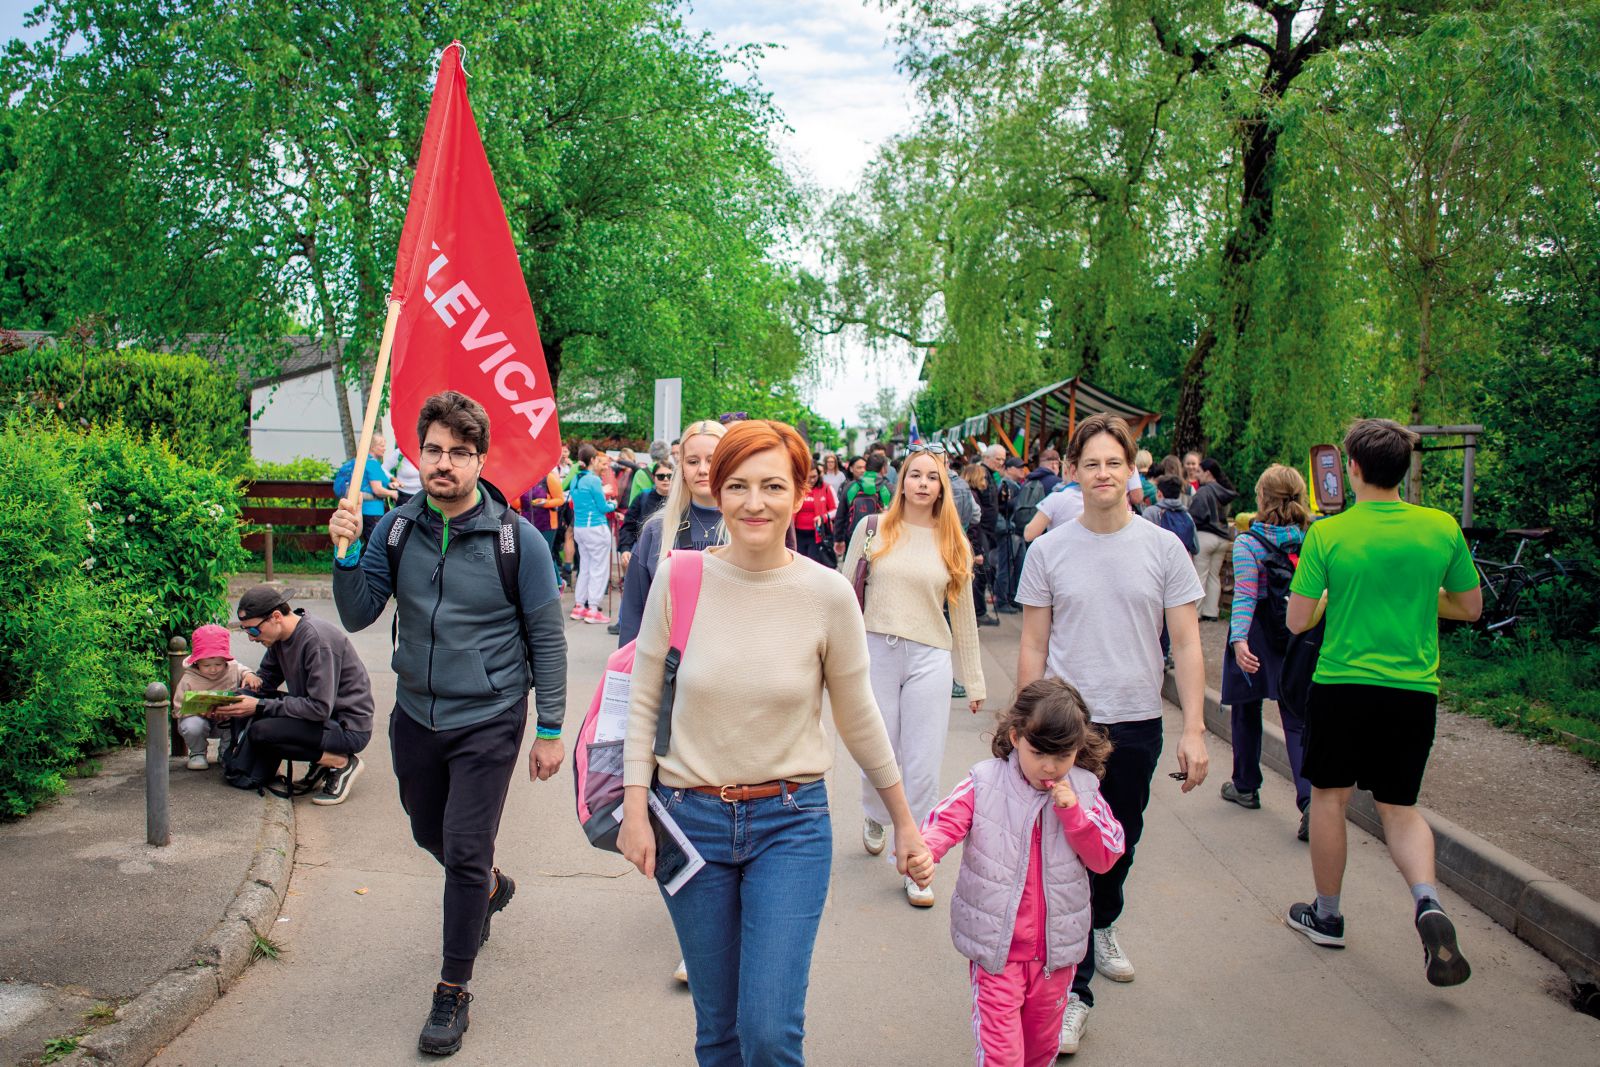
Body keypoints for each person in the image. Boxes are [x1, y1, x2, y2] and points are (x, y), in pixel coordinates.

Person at [619, 419, 932, 1066]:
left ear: (801, 491)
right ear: (716, 489)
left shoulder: (826, 594)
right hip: (689, 820)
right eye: (737, 485)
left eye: (771, 485)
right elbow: (644, 697)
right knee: (719, 1030)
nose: (754, 502)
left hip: (790, 825)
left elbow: (860, 715)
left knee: (768, 1032)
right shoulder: (679, 578)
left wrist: (904, 821)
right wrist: (633, 807)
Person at [327, 390, 568, 1056]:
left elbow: (547, 637)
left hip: (489, 715)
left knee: (462, 847)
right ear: (418, 453)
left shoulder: (518, 540)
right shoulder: (396, 529)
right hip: (417, 712)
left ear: (479, 459)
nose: (445, 463)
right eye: (433, 449)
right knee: (425, 826)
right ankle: (488, 885)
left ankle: (453, 988)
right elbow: (356, 613)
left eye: (460, 452)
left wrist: (550, 727)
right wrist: (346, 554)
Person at [1014, 413, 1208, 1056]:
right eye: (1090, 464)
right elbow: (1034, 643)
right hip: (1069, 728)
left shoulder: (1163, 548)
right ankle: (1075, 994)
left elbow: (1184, 639)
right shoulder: (1048, 550)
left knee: (1116, 847)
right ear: (1073, 472)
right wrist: (1023, 726)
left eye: (1113, 463)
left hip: (1136, 720)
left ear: (1133, 472)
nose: (1102, 474)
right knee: (1069, 853)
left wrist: (1196, 729)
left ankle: (1104, 922)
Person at [1284, 419, 1481, 988]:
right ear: (1403, 470)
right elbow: (1469, 607)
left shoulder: (1329, 534)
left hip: (1343, 684)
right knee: (1399, 806)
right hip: (1413, 690)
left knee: (1329, 797)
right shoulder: (1440, 528)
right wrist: (1420, 599)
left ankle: (1326, 914)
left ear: (1353, 468)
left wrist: (1331, 598)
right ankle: (1426, 902)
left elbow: (1298, 620)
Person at [917, 680, 1126, 1067]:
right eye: (1038, 753)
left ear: (1079, 747)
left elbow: (1106, 855)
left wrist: (1075, 816)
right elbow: (944, 822)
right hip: (997, 952)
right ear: (1015, 737)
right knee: (1002, 1055)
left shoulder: (1085, 790)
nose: (1049, 766)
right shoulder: (985, 781)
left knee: (1040, 1049)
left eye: (1062, 755)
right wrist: (925, 853)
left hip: (1056, 956)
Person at [841, 441, 985, 906]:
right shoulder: (874, 528)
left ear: (943, 486)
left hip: (929, 657)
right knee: (878, 750)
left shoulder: (953, 541)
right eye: (915, 475)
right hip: (875, 650)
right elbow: (843, 597)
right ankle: (874, 812)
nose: (922, 484)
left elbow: (962, 616)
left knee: (922, 762)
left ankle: (917, 861)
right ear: (901, 480)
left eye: (932, 477)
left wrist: (976, 679)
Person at [213, 587, 374, 805]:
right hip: (319, 719)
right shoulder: (279, 639)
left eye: (253, 631)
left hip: (347, 727)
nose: (251, 639)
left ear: (276, 617)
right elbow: (265, 682)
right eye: (246, 632)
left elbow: (319, 708)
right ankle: (321, 763)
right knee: (253, 710)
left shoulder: (316, 641)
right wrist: (228, 702)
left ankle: (340, 762)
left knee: (262, 731)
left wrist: (258, 705)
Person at [1219, 465, 1313, 835]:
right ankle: (1309, 803)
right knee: (1296, 719)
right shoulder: (1310, 538)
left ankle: (1245, 785)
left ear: (1262, 498)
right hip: (1298, 632)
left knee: (1246, 711)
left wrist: (1239, 641)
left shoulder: (1248, 543)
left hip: (1257, 632)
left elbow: (1244, 596)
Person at [616, 418, 728, 648]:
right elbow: (634, 612)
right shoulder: (656, 530)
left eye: (713, 460)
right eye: (693, 461)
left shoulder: (749, 528)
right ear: (682, 468)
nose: (703, 469)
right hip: (667, 672)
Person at [171, 623, 261, 770]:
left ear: (225, 661)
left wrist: (250, 675)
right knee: (192, 725)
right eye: (206, 665)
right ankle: (197, 753)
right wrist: (197, 711)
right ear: (197, 662)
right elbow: (179, 708)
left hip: (227, 721)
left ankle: (226, 753)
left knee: (239, 718)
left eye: (218, 664)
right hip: (199, 721)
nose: (213, 669)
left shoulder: (232, 668)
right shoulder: (189, 679)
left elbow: (243, 670)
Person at [571, 443, 618, 625]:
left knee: (586, 567)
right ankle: (593, 609)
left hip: (580, 527)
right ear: (592, 460)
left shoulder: (576, 478)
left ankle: (580, 606)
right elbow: (602, 506)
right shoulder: (593, 480)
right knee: (599, 568)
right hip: (596, 528)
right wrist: (613, 504)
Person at [1189, 457, 1238, 621]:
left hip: (1206, 535)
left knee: (1200, 574)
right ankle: (1212, 611)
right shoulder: (1224, 491)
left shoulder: (1204, 491)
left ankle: (1195, 612)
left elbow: (1194, 515)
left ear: (1207, 473)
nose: (1197, 475)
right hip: (1222, 537)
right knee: (1214, 576)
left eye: (1199, 472)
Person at [832, 452, 893, 558]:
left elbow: (840, 516)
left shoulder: (851, 487)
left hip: (853, 539)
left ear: (866, 467)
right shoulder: (889, 489)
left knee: (852, 572)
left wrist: (839, 540)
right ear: (883, 469)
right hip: (880, 542)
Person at [962, 461, 999, 627]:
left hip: (978, 539)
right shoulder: (972, 495)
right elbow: (973, 525)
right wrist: (976, 550)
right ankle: (977, 612)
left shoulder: (972, 494)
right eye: (983, 477)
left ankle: (977, 612)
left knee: (978, 577)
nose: (985, 480)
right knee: (978, 577)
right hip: (976, 540)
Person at [518, 466, 567, 586]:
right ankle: (539, 582)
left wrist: (546, 503)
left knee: (546, 553)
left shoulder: (548, 478)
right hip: (527, 523)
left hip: (547, 524)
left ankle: (557, 583)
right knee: (530, 554)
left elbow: (560, 500)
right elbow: (519, 503)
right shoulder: (522, 479)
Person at [793, 462, 837, 566]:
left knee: (813, 563)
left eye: (814, 477)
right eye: (809, 477)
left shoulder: (826, 488)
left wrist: (824, 517)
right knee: (798, 564)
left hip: (817, 534)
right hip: (797, 534)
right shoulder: (797, 489)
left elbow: (835, 509)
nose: (812, 480)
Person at [360, 432, 400, 547]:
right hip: (372, 511)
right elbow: (377, 490)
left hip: (366, 510)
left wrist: (391, 485)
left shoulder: (366, 462)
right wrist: (393, 493)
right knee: (374, 545)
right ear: (373, 447)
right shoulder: (372, 464)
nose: (385, 448)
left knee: (368, 543)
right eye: (382, 445)